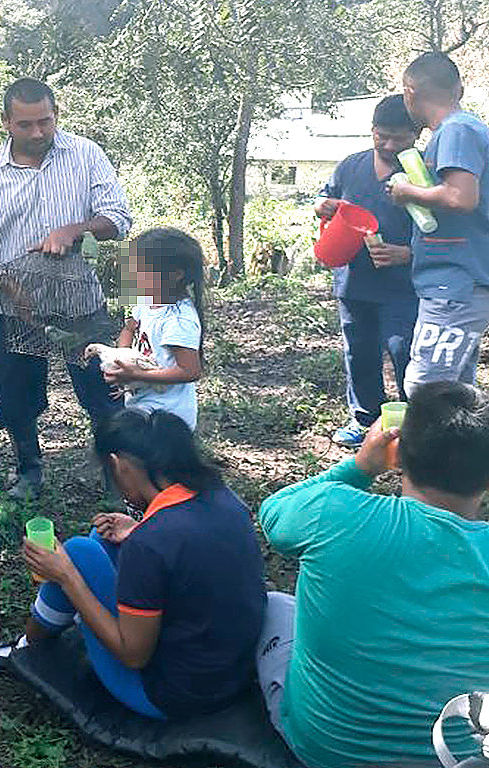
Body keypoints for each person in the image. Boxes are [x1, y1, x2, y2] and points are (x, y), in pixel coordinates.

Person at [0, 408, 266, 721]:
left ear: (118, 464)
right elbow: (194, 550)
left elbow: (133, 655)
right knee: (99, 543)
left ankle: (25, 649)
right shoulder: (224, 497)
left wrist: (67, 576)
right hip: (232, 673)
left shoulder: (150, 544)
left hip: (172, 695)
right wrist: (137, 529)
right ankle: (31, 639)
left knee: (78, 554)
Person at [257, 380, 489, 768]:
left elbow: (275, 512)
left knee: (276, 606)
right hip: (459, 759)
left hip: (324, 750)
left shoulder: (334, 514)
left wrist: (360, 466)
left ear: (397, 455)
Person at [0, 77, 133, 499]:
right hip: (10, 307)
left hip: (78, 302)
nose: (37, 133)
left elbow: (118, 217)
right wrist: (4, 282)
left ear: (56, 116)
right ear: (5, 123)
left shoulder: (86, 154)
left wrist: (75, 228)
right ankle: (29, 470)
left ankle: (115, 482)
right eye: (25, 125)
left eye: (45, 122)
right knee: (15, 395)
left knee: (103, 391)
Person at [315, 94, 419, 448]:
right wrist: (322, 205)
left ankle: (414, 427)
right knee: (358, 350)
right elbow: (325, 196)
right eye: (382, 136)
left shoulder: (422, 173)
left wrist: (407, 253)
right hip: (353, 279)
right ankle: (364, 419)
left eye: (400, 139)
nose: (389, 145)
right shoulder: (351, 165)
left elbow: (443, 231)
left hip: (402, 286)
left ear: (416, 134)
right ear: (372, 130)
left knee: (405, 350)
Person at [390, 52, 489, 393]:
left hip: (456, 283)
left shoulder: (457, 130)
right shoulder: (459, 130)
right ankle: (466, 448)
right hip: (456, 281)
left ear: (410, 92)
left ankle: (423, 449)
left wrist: (407, 191)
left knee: (425, 388)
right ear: (458, 89)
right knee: (456, 391)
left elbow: (460, 198)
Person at [95, 227, 205, 431]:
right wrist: (121, 360)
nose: (135, 276)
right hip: (141, 406)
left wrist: (136, 375)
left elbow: (189, 371)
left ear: (175, 275)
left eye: (143, 270)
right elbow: (129, 328)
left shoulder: (179, 320)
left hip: (169, 417)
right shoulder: (146, 302)